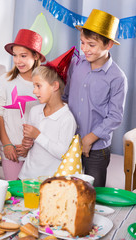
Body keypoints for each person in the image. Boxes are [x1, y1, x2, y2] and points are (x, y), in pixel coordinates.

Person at [63, 9, 128, 187]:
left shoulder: (117, 77)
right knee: (68, 188)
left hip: (98, 149)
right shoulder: (76, 64)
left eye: (91, 45)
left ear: (108, 45)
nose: (84, 49)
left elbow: (115, 117)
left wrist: (89, 139)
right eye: (82, 43)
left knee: (93, 193)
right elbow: (66, 96)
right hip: (70, 140)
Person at [0, 29, 45, 180]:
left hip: (36, 149)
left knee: (33, 193)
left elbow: (47, 117)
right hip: (11, 150)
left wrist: (30, 145)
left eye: (23, 56)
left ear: (35, 56)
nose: (18, 61)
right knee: (14, 191)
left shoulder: (43, 84)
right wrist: (6, 144)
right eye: (15, 55)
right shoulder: (5, 80)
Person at [18, 47, 77, 180]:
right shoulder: (35, 111)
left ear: (55, 86)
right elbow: (31, 144)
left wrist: (37, 135)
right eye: (34, 86)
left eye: (38, 86)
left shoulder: (66, 119)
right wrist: (26, 144)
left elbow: (61, 153)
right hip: (25, 175)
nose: (34, 91)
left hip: (48, 181)